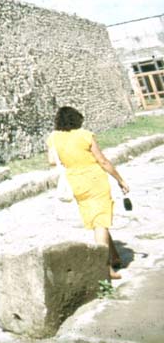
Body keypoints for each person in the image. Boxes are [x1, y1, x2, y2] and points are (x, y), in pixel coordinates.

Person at [47, 105, 130, 279]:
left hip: (76, 182)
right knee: (100, 221)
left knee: (97, 220)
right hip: (95, 180)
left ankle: (114, 256)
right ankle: (105, 268)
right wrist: (120, 179)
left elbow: (52, 161)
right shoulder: (85, 135)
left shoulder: (53, 138)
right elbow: (103, 161)